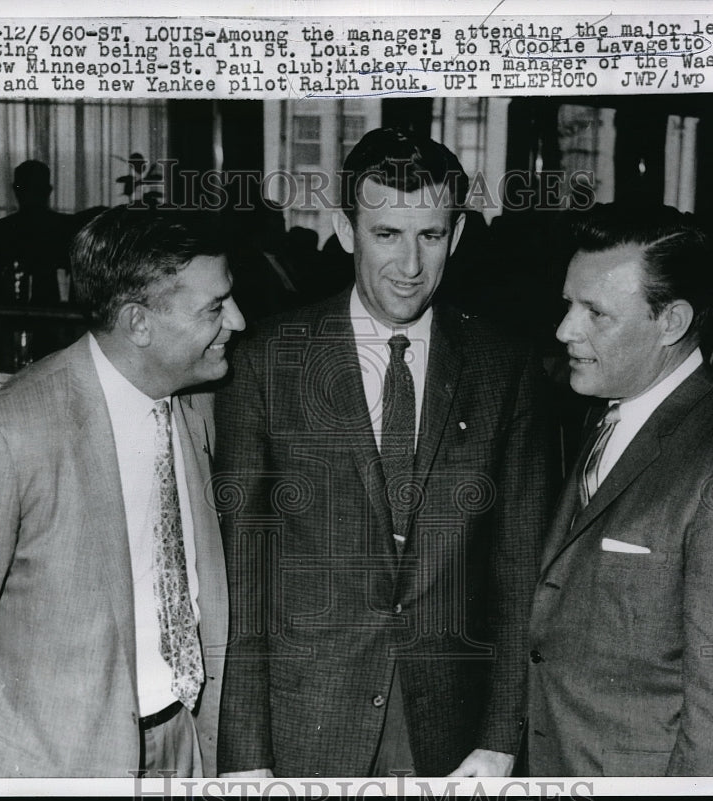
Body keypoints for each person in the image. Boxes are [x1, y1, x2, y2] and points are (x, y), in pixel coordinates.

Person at [214, 127, 555, 778]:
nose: (409, 266)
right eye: (386, 235)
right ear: (347, 231)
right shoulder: (265, 361)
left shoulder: (502, 368)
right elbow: (243, 575)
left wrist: (501, 736)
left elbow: (519, 572)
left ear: (455, 236)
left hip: (450, 734)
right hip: (304, 724)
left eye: (430, 236)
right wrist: (244, 756)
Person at [0, 206, 245, 778]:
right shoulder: (0, 435)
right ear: (138, 322)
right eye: (215, 308)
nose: (238, 322)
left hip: (184, 744)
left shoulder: (192, 403)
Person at [527, 203, 713, 776]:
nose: (564, 330)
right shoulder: (612, 414)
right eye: (567, 304)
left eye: (595, 313)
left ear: (672, 322)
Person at [0, 159, 74, 305]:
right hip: (56, 316)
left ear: (15, 190)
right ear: (48, 190)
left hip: (9, 316)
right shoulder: (67, 226)